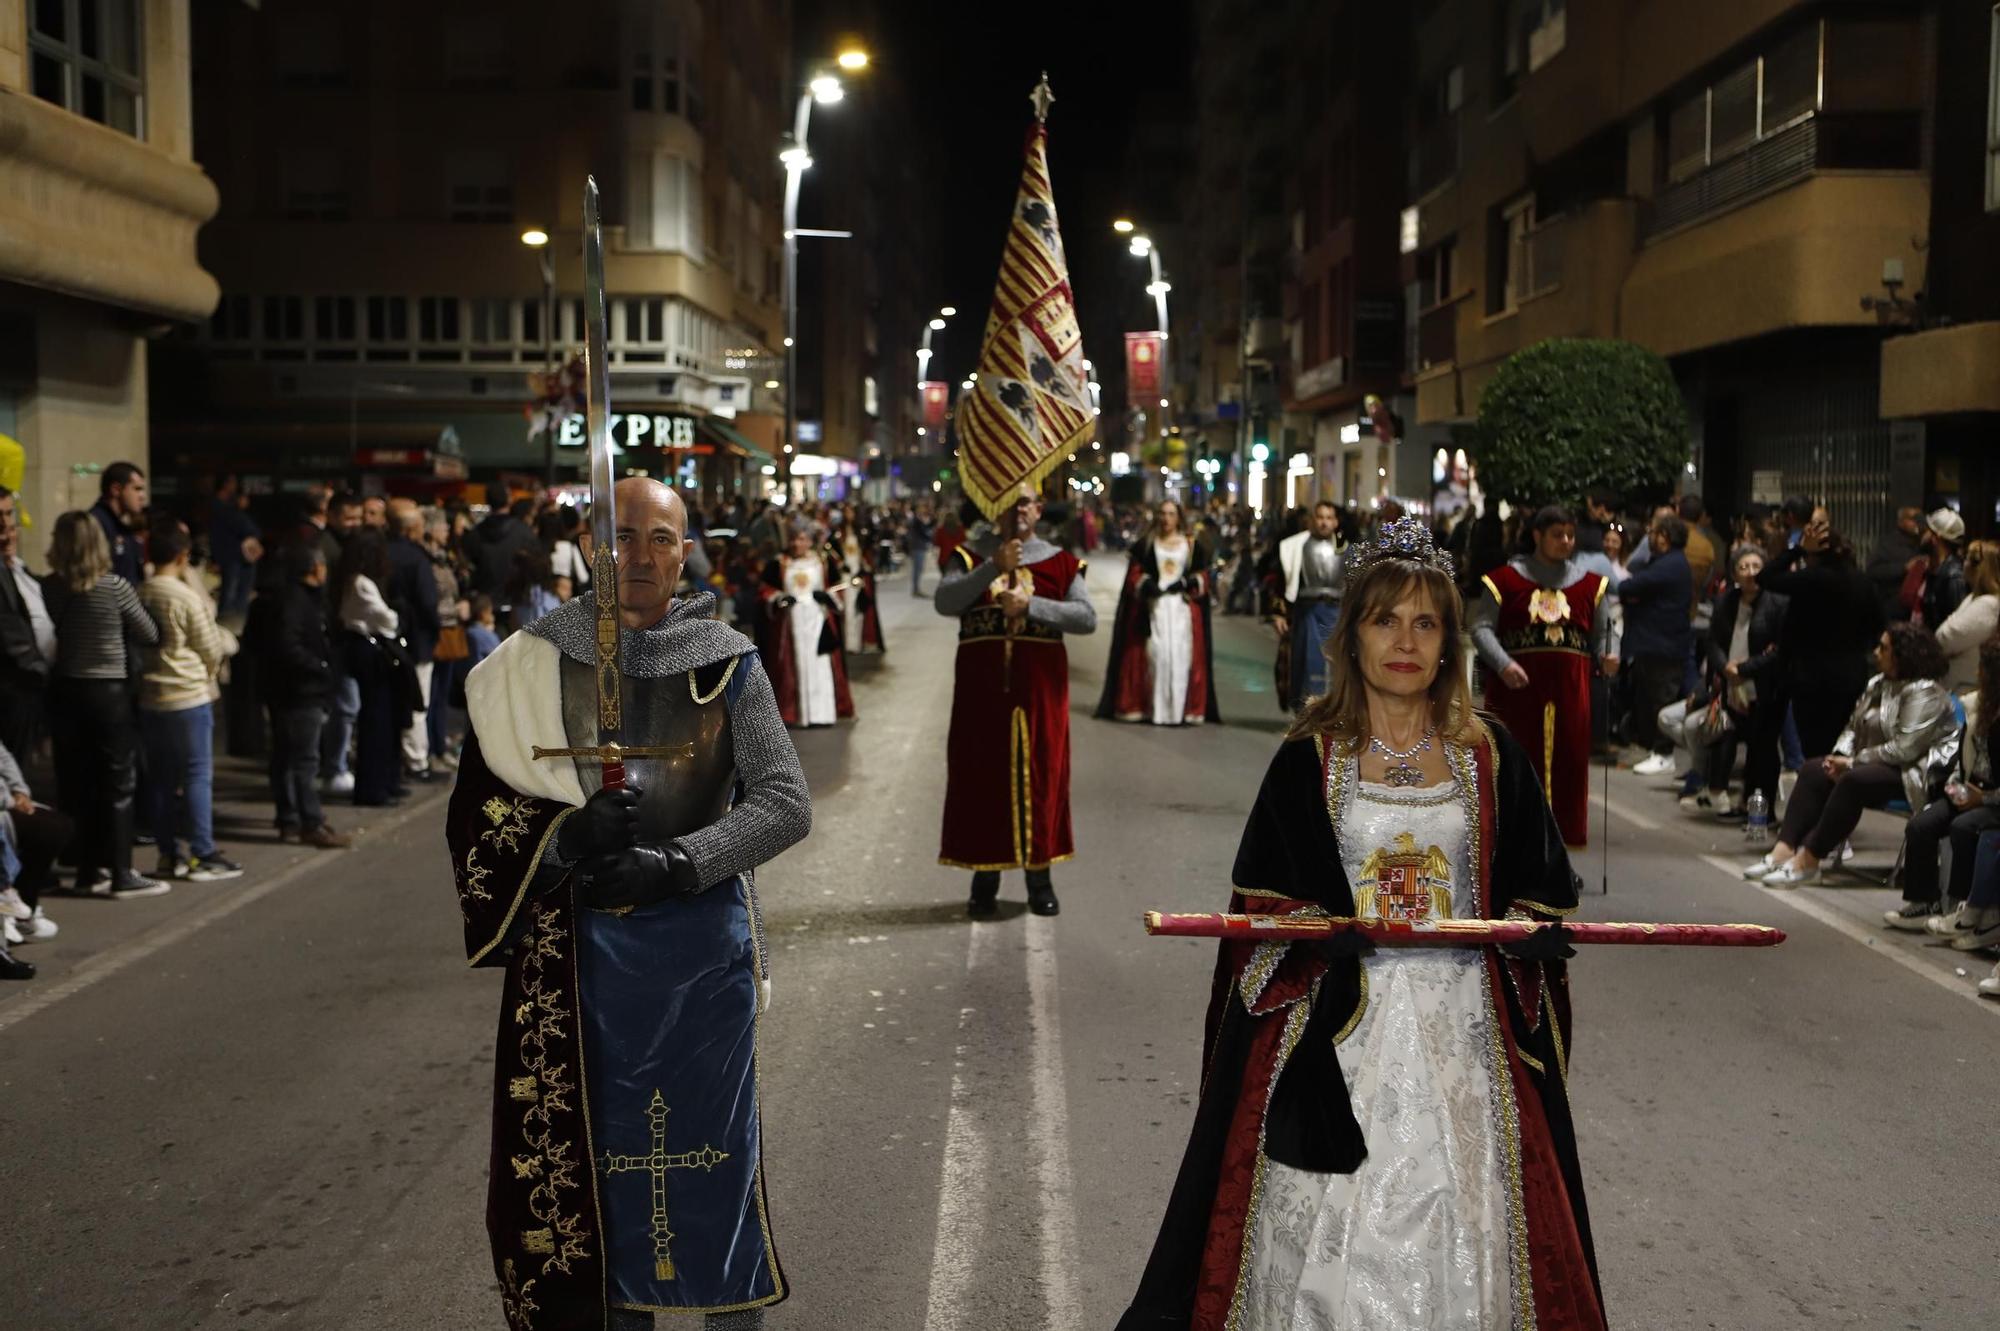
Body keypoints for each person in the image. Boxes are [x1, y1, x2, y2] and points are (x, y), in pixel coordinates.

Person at [1118, 516, 1602, 1331]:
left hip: (1466, 1037)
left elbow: (1540, 891)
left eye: (1425, 622)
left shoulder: (1491, 755)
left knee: (1472, 1216)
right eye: (1385, 619)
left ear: (1450, 643)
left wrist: (1528, 930)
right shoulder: (1306, 760)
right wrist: (1320, 933)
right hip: (1339, 1032)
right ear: (1351, 636)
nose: (1404, 641)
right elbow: (1262, 916)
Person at [447, 476, 810, 1330]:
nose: (639, 556)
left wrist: (679, 861)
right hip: (582, 965)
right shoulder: (526, 667)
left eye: (660, 538)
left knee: (714, 1172)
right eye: (622, 536)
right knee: (599, 1187)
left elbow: (784, 802)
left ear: (684, 551)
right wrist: (566, 839)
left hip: (700, 961)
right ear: (589, 544)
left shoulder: (725, 658)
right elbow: (478, 820)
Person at [935, 482, 1096, 917]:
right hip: (981, 695)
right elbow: (945, 601)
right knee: (982, 779)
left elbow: (1086, 618)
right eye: (1008, 500)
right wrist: (993, 566)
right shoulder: (969, 555)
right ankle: (984, 879)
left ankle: (1038, 878)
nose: (1016, 509)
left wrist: (1032, 606)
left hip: (1041, 694)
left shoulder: (1061, 563)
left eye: (1024, 502)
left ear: (1039, 509)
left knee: (1041, 778)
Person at [1744, 622, 1955, 886]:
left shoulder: (1925, 692)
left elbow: (1905, 748)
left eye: (1884, 648)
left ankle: (1809, 858)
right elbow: (1852, 728)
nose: (1876, 652)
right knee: (1813, 769)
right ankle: (1783, 850)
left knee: (1854, 779)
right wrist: (1837, 756)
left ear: (1904, 654)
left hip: (1916, 773)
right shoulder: (1878, 683)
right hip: (1876, 765)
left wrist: (1852, 763)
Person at [1468, 504, 1612, 848]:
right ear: (1537, 536)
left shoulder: (1591, 586)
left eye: (1570, 535)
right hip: (1518, 692)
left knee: (1569, 769)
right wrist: (1503, 664)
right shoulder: (1504, 581)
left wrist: (1610, 653)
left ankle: (1557, 854)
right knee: (1517, 766)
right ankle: (1517, 850)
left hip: (1570, 692)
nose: (1565, 542)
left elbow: (1605, 632)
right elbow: (1481, 628)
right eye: (1557, 535)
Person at [42, 510, 165, 898]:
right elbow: (149, 632)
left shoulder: (51, 587)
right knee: (117, 783)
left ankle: (85, 869)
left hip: (65, 692)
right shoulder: (114, 586)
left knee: (75, 781)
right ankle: (122, 871)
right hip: (108, 692)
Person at [138, 522, 242, 882]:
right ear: (183, 556)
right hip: (188, 695)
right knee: (197, 775)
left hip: (151, 696)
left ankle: (169, 854)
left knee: (162, 780)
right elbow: (210, 645)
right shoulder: (185, 597)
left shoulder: (140, 592)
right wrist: (211, 671)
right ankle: (203, 852)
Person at [1885, 638, 2000, 931]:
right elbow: (1962, 757)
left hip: (1992, 798)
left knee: (1964, 827)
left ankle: (1964, 906)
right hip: (1969, 788)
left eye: (1983, 670)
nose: (1978, 675)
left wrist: (1984, 798)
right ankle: (1924, 901)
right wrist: (1954, 785)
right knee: (1920, 825)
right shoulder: (1978, 709)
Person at [245, 545, 348, 848]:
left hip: (283, 689)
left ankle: (289, 818)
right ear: (314, 569)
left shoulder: (275, 600)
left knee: (285, 756)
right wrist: (321, 668)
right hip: (300, 691)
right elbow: (289, 646)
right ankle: (308, 821)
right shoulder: (297, 603)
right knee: (303, 759)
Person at [1755, 520, 1884, 759]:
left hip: (1812, 677)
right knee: (1844, 745)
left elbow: (1765, 577)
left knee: (1815, 750)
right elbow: (1877, 626)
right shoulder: (1863, 582)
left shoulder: (1811, 579)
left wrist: (1798, 549)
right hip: (1851, 674)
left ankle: (1819, 793)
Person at [1096, 499, 1222, 725]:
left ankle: (1178, 712)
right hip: (1154, 610)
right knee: (1156, 655)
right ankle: (1153, 709)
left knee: (1181, 657)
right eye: (1162, 513)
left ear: (1178, 517)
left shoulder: (1190, 545)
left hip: (1182, 612)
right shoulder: (1146, 544)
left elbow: (1202, 576)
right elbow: (1134, 574)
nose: (1166, 519)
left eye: (1171, 514)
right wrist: (1146, 584)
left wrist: (1186, 583)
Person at [1690, 545, 1787, 816]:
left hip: (1765, 687)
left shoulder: (1777, 603)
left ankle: (1762, 810)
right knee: (1726, 736)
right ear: (1734, 573)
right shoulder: (1726, 601)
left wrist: (1744, 668)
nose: (1750, 573)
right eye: (1744, 567)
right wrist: (1726, 668)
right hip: (1731, 685)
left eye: (1756, 566)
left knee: (1763, 749)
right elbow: (1713, 641)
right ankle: (1732, 798)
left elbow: (1780, 650)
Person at [334, 531, 406, 807]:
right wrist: (396, 617)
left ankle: (381, 782)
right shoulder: (361, 583)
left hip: (364, 647)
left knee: (378, 718)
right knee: (376, 719)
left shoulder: (353, 581)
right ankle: (373, 787)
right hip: (368, 649)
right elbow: (386, 619)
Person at [757, 526, 853, 728]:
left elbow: (837, 587)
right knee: (792, 666)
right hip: (790, 623)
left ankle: (821, 713)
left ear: (809, 541)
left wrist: (827, 596)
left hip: (817, 620)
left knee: (820, 664)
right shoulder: (779, 563)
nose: (796, 544)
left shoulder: (823, 562)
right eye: (793, 539)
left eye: (801, 539)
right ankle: (794, 713)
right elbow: (765, 589)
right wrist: (780, 598)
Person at [1620, 514, 1695, 776]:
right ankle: (1653, 748)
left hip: (1664, 644)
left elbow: (1630, 585)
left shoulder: (1670, 565)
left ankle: (1664, 753)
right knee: (1650, 698)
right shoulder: (1663, 562)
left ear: (1665, 537)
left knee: (1661, 699)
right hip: (1656, 642)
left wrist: (1634, 596)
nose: (1650, 537)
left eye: (1655, 533)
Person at [0, 736, 74, 951]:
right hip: (4, 805)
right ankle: (7, 903)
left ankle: (21, 908)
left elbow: (4, 756)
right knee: (44, 830)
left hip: (7, 801)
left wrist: (20, 790)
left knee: (58, 825)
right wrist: (11, 801)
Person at [387, 503, 442, 783]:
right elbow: (428, 602)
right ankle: (417, 760)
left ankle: (395, 758)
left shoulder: (381, 552)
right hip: (417, 638)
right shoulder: (416, 559)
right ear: (411, 529)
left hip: (387, 638)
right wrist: (435, 626)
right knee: (417, 702)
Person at [0, 484, 55, 761]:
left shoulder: (18, 569)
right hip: (15, 688)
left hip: (26, 688)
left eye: (10, 515)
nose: (6, 525)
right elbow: (12, 634)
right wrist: (44, 675)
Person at [1274, 501, 1344, 712]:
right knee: (1306, 662)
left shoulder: (1345, 549)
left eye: (1328, 518)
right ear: (1312, 520)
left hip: (1336, 613)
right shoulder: (1295, 547)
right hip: (1307, 613)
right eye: (1320, 517)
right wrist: (1279, 613)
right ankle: (1305, 713)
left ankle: (1332, 711)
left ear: (1336, 522)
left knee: (1335, 666)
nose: (1324, 522)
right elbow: (1281, 582)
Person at [1930, 538, 1999, 693]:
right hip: (1957, 686)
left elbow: (1944, 637)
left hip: (1966, 689)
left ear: (1979, 567)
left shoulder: (1988, 604)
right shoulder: (1975, 597)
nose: (1963, 563)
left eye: (1966, 558)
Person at [828, 506, 885, 654]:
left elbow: (865, 552)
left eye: (851, 511)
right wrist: (841, 565)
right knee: (848, 609)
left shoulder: (860, 532)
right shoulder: (838, 533)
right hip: (845, 576)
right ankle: (849, 644)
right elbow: (831, 551)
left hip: (858, 575)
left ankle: (858, 642)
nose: (849, 514)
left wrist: (863, 568)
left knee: (859, 609)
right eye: (846, 512)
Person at [208, 474, 263, 621]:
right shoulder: (221, 507)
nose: (235, 486)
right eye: (232, 483)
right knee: (231, 596)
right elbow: (242, 526)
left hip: (238, 558)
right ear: (225, 485)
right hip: (231, 557)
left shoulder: (229, 507)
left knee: (239, 596)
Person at [90, 461, 148, 586]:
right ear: (116, 489)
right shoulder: (94, 524)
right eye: (137, 489)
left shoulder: (123, 526)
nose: (142, 496)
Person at [1865, 506, 1924, 623]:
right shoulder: (1888, 543)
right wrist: (1904, 568)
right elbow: (1872, 570)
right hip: (1893, 607)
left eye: (1920, 519)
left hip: (1917, 609)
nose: (1917, 523)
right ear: (1901, 521)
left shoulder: (1923, 542)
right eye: (1913, 519)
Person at [1920, 507, 1968, 629]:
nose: (1922, 534)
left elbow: (1956, 627)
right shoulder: (1935, 570)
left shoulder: (1954, 577)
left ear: (1935, 539)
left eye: (1927, 531)